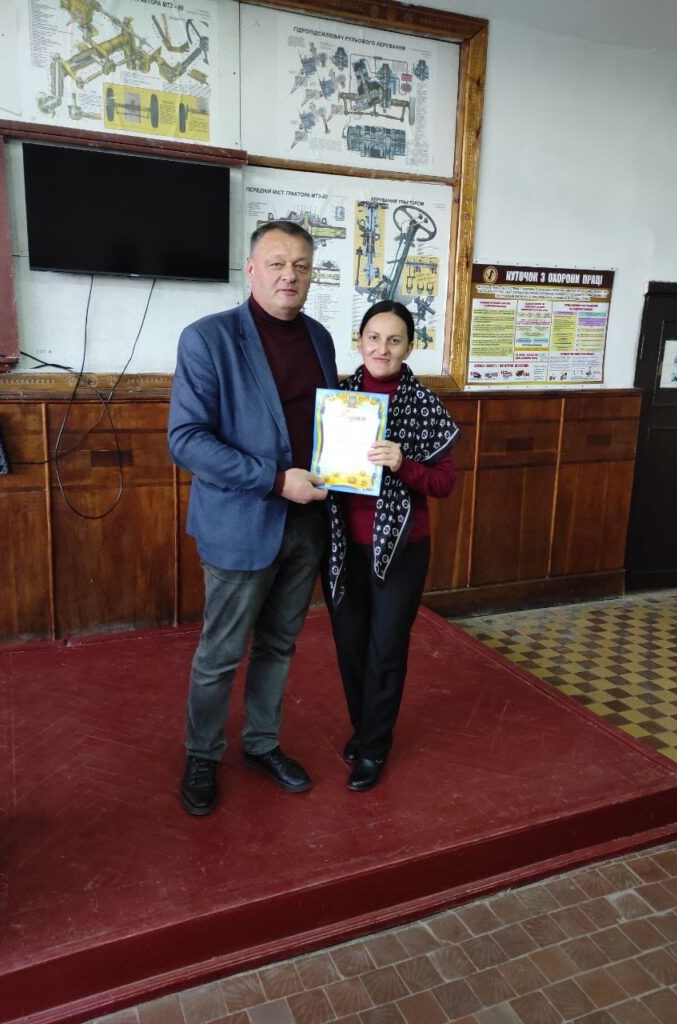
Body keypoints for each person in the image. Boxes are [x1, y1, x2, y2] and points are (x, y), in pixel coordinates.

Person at [168, 220, 338, 816]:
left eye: (301, 265)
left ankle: (262, 743)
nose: (290, 275)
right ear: (250, 270)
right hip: (241, 524)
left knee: (279, 645)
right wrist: (274, 479)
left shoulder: (320, 339)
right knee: (220, 653)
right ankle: (202, 754)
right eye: (276, 263)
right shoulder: (207, 339)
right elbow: (186, 440)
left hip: (307, 523)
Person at [324, 300, 459, 792]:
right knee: (350, 644)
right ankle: (364, 727)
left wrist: (403, 464)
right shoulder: (339, 399)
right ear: (359, 342)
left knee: (386, 647)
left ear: (409, 347)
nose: (382, 348)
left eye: (394, 340)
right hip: (343, 544)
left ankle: (375, 746)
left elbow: (444, 483)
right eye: (374, 338)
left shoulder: (423, 403)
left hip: (402, 547)